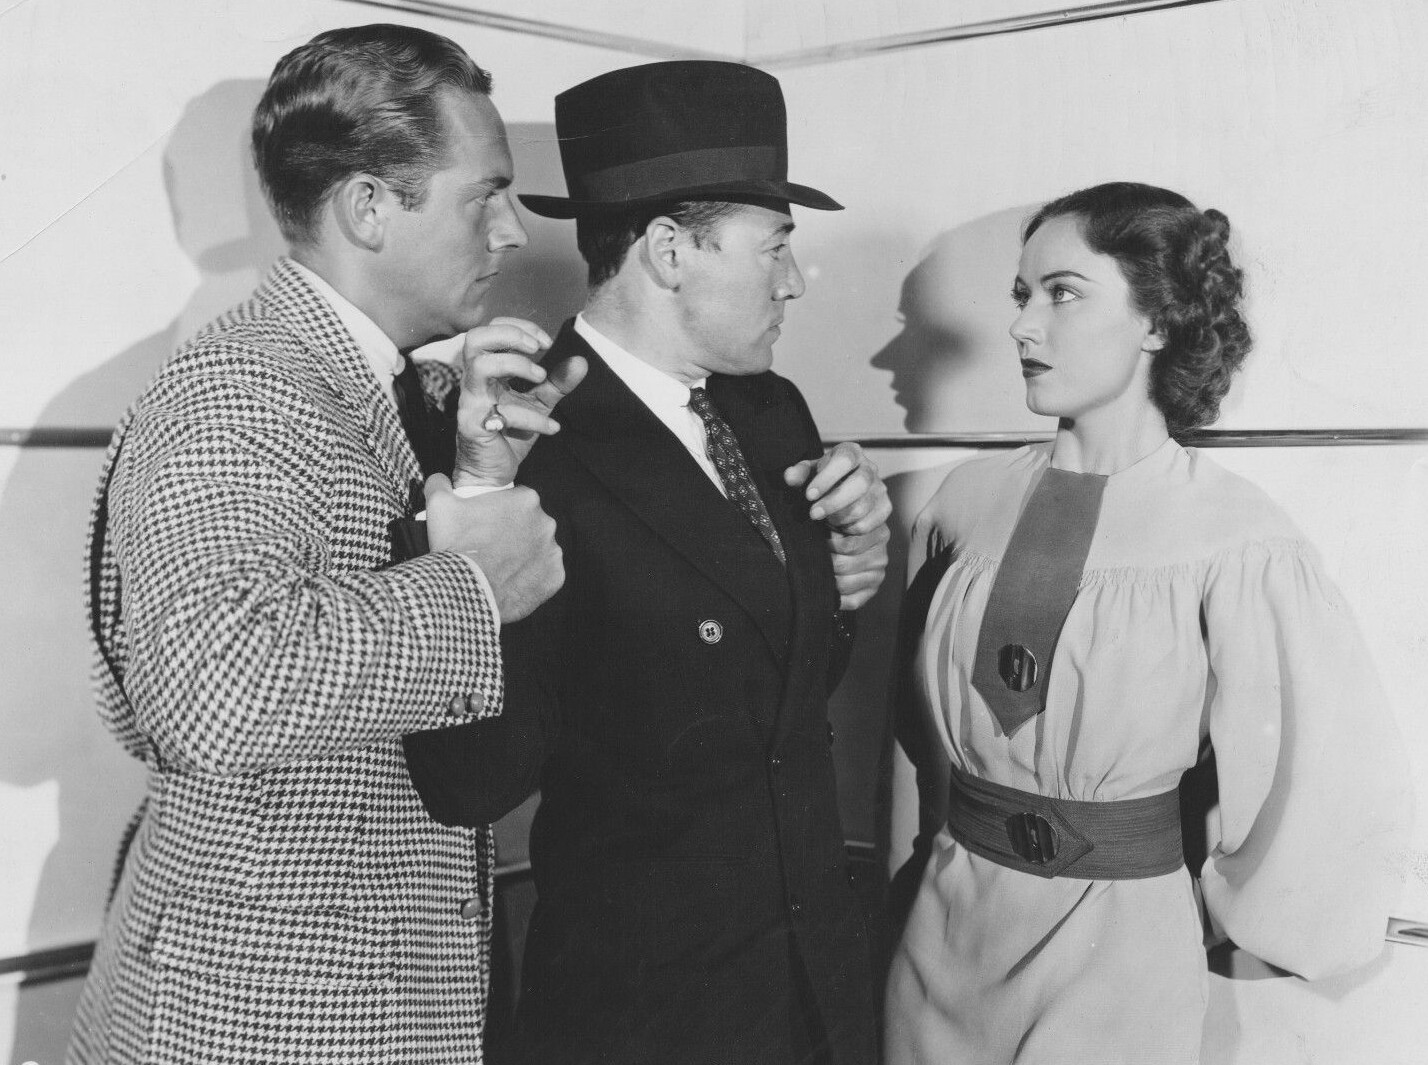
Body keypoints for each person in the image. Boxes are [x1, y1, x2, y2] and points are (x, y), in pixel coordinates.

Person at [68, 24, 586, 1065]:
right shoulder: (239, 391)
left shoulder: (381, 387)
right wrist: (473, 586)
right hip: (262, 1016)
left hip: (346, 996)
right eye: (484, 194)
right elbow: (214, 690)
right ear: (367, 207)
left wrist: (477, 475)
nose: (512, 231)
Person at [403, 61, 891, 1065]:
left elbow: (778, 703)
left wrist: (849, 575)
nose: (795, 281)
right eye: (776, 247)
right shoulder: (518, 439)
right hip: (643, 1017)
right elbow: (473, 780)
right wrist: (481, 509)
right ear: (670, 250)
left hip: (810, 996)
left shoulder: (773, 411)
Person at [883, 182, 1409, 1064]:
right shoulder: (961, 506)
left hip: (1117, 951)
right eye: (1022, 294)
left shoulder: (1235, 537)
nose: (1021, 326)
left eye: (1063, 292)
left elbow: (1318, 769)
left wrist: (1249, 914)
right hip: (941, 934)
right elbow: (909, 745)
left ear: (1158, 322)